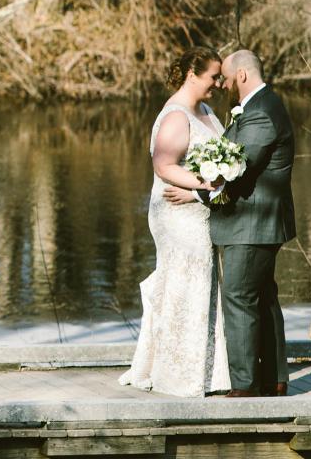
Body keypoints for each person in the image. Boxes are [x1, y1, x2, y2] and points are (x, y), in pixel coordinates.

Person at [164, 48, 296, 397]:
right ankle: (274, 377)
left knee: (239, 297)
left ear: (241, 76)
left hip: (251, 222)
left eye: (224, 77)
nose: (221, 84)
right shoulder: (258, 108)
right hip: (258, 221)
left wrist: (194, 194)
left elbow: (234, 171)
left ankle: (245, 385)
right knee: (262, 297)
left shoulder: (261, 114)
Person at [119, 47, 231, 397]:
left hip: (200, 208)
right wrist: (209, 184)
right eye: (214, 76)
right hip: (176, 213)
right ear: (192, 74)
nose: (219, 83)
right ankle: (179, 373)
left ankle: (207, 371)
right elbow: (164, 167)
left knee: (205, 284)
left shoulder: (208, 112)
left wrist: (220, 181)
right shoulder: (175, 116)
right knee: (187, 283)